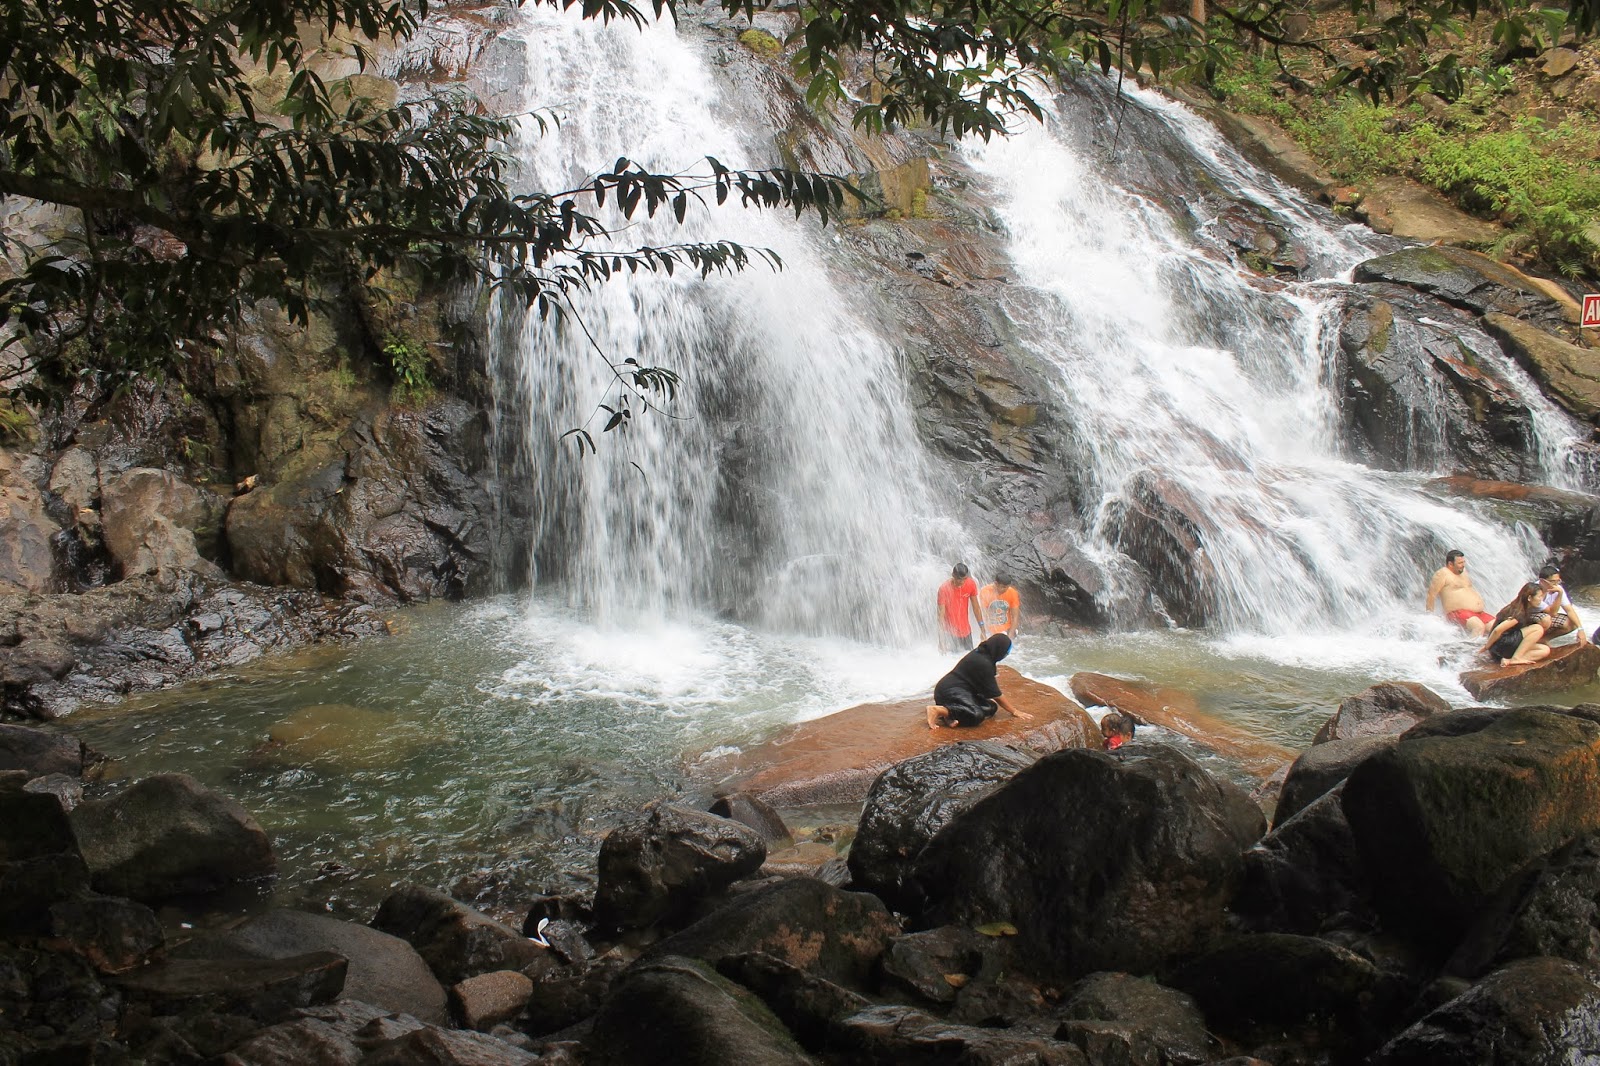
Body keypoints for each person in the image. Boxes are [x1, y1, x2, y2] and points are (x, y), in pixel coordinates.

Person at [927, 633, 1033, 730]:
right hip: (949, 692)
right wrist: (1015, 711)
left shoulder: (984, 652)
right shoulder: (984, 663)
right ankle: (938, 710)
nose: (1005, 655)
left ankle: (948, 715)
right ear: (999, 650)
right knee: (976, 715)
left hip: (962, 691)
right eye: (1005, 652)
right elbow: (996, 695)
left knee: (991, 707)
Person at [1480, 582, 1552, 667]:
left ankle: (1508, 660)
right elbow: (1497, 630)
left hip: (1504, 647)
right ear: (1529, 598)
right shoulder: (1518, 612)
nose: (1541, 599)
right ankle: (1516, 658)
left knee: (1544, 650)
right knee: (1538, 628)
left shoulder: (1522, 607)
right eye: (1539, 596)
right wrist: (1487, 647)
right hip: (1501, 646)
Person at [1425, 549, 1493, 637]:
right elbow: (1431, 595)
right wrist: (1430, 617)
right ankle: (1469, 646)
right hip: (1457, 613)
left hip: (1478, 613)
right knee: (1479, 627)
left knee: (1497, 627)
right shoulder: (1442, 574)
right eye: (1460, 563)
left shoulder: (1463, 572)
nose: (1463, 565)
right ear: (1450, 564)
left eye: (1463, 562)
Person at [936, 563, 985, 653]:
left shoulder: (970, 584)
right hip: (950, 633)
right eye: (959, 579)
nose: (962, 582)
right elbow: (940, 616)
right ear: (953, 575)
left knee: (969, 657)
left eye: (964, 579)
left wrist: (983, 630)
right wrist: (941, 641)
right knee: (952, 659)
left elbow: (976, 608)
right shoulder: (944, 589)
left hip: (966, 631)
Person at [978, 572, 1021, 642]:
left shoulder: (1012, 592)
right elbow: (983, 614)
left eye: (1007, 587)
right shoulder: (985, 592)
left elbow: (1015, 617)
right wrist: (983, 632)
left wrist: (1010, 636)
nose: (1005, 589)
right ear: (996, 584)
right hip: (990, 630)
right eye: (1003, 587)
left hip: (1006, 629)